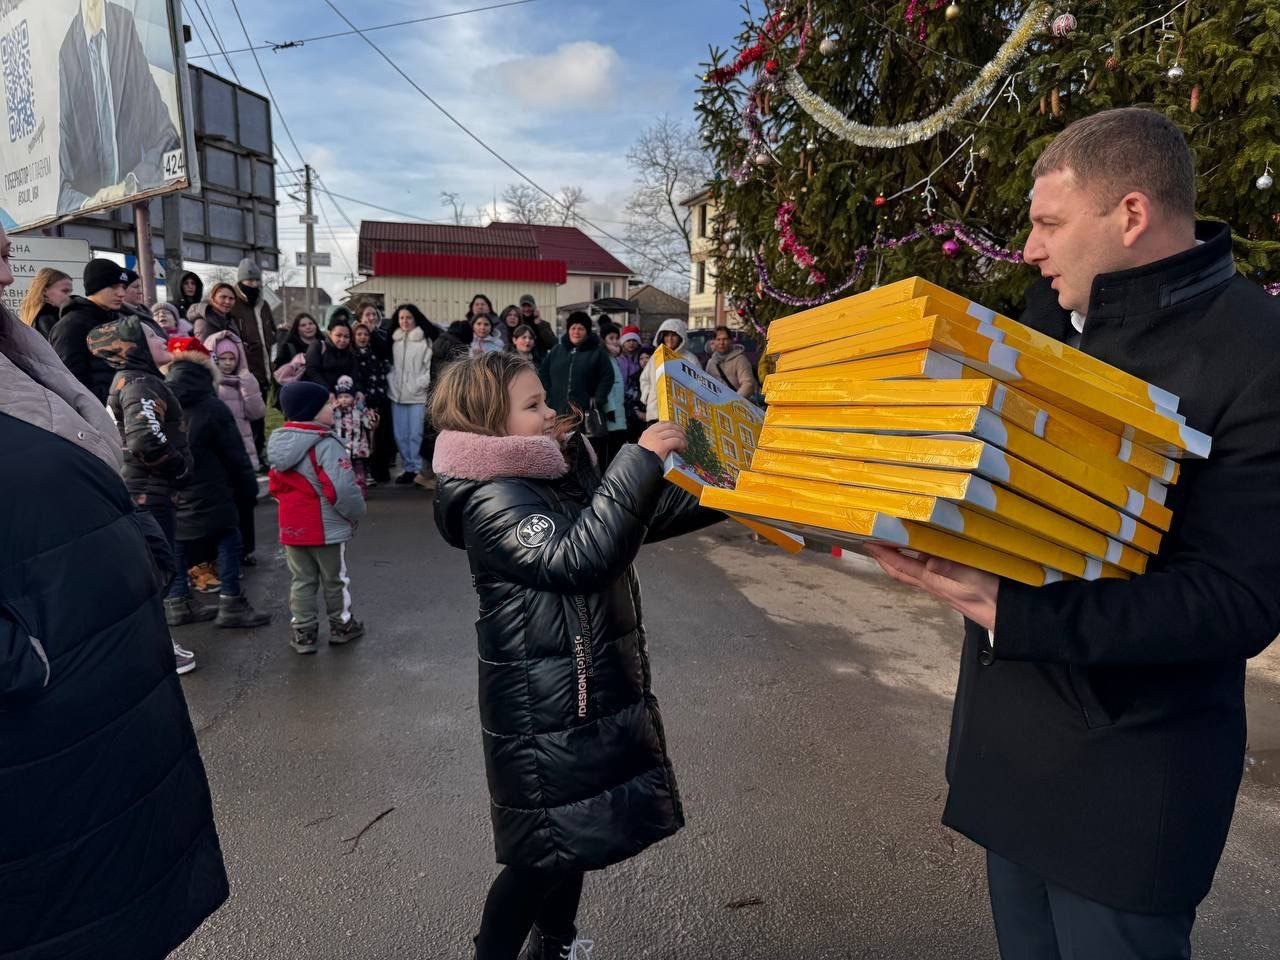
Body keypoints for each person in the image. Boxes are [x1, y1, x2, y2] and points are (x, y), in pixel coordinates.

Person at [864, 108, 1280, 960]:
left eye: (1048, 223)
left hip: (1130, 789)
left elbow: (1237, 601)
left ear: (1130, 215)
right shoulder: (1043, 320)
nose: (1028, 248)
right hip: (1008, 760)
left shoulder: (1257, 351)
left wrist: (1012, 611)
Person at [431, 351, 722, 960]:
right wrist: (638, 461)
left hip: (576, 682)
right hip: (542, 704)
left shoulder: (553, 469)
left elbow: (635, 518)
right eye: (531, 406)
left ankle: (555, 947)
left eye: (545, 400)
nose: (549, 415)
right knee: (540, 853)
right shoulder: (492, 497)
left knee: (572, 837)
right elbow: (579, 557)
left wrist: (731, 488)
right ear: (488, 420)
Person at [0, 245, 229, 960]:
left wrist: (139, 550)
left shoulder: (20, 349)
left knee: (120, 913)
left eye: (5, 255)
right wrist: (34, 659)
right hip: (43, 732)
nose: (7, 275)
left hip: (112, 699)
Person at [88, 314, 198, 674]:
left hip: (144, 491)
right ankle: (156, 648)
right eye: (152, 336)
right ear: (133, 346)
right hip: (148, 493)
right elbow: (145, 439)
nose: (163, 338)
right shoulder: (141, 383)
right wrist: (179, 466)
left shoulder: (134, 380)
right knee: (156, 571)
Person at [163, 337, 271, 629]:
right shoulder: (213, 407)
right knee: (228, 538)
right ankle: (231, 601)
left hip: (174, 489)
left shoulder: (159, 402)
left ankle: (177, 602)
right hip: (213, 488)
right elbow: (235, 455)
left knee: (178, 542)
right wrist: (248, 490)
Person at [268, 381, 367, 654]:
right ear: (311, 411)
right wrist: (356, 512)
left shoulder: (279, 444)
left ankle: (304, 632)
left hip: (292, 528)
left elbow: (275, 487)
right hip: (325, 528)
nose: (332, 407)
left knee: (301, 580)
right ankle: (342, 625)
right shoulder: (325, 444)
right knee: (335, 578)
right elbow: (342, 489)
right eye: (326, 404)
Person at [57, 0, 181, 214]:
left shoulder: (124, 26)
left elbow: (168, 138)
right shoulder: (68, 51)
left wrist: (130, 185)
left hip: (139, 204)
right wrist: (92, 202)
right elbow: (64, 193)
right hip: (97, 218)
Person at [206, 329, 265, 561]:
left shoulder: (244, 382)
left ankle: (246, 550)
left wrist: (248, 384)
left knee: (245, 503)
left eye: (232, 358)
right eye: (223, 359)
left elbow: (257, 412)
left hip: (244, 448)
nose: (228, 363)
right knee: (227, 505)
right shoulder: (212, 385)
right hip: (222, 453)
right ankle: (226, 554)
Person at [49, 257, 129, 403]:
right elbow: (69, 380)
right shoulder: (72, 325)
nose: (121, 293)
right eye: (113, 286)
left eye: (123, 287)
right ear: (95, 287)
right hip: (96, 412)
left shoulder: (119, 320)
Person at [229, 259, 275, 464]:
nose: (253, 285)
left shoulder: (264, 305)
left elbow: (270, 334)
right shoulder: (234, 305)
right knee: (242, 418)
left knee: (260, 415)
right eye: (249, 280)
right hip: (242, 371)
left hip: (263, 370)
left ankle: (259, 453)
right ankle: (246, 457)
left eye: (256, 280)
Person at [538, 310, 614, 421]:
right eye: (573, 328)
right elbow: (543, 372)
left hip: (585, 413)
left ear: (587, 331)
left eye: (581, 329)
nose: (576, 332)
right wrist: (549, 394)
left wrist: (597, 399)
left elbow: (607, 377)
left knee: (581, 439)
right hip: (557, 410)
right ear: (568, 330)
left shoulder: (597, 352)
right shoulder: (557, 350)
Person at [389, 303, 434, 485]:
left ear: (415, 318)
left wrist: (418, 385)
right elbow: (390, 366)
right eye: (401, 318)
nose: (405, 321)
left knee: (416, 434)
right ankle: (408, 468)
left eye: (408, 317)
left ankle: (417, 470)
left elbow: (429, 368)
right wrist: (391, 381)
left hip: (417, 396)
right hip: (397, 395)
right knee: (400, 434)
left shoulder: (424, 342)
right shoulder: (394, 341)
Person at [639, 317, 700, 426]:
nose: (670, 339)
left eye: (674, 335)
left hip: (680, 415)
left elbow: (698, 386)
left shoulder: (690, 360)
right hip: (655, 413)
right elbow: (645, 379)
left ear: (681, 337)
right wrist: (648, 396)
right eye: (666, 335)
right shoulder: (656, 357)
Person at [332, 374, 378, 495]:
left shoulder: (359, 411)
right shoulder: (334, 412)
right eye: (340, 397)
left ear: (353, 397)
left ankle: (360, 492)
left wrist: (367, 412)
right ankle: (342, 493)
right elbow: (327, 424)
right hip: (341, 449)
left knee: (359, 473)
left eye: (347, 396)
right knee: (341, 472)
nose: (343, 399)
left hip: (358, 448)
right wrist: (331, 408)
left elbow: (371, 425)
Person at [304, 307, 359, 393]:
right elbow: (312, 371)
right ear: (330, 333)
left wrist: (358, 391)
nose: (342, 340)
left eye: (346, 336)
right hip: (320, 395)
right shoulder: (317, 346)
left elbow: (355, 376)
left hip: (344, 398)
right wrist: (328, 392)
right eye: (338, 335)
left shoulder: (351, 353)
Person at [598, 323, 629, 465]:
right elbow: (605, 385)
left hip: (619, 412)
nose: (616, 341)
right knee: (612, 453)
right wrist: (609, 408)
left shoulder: (613, 358)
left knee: (618, 450)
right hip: (612, 414)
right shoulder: (604, 358)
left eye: (617, 337)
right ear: (604, 340)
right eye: (611, 338)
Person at [705, 325, 759, 399]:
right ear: (713, 342)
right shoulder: (711, 362)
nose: (721, 343)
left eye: (725, 339)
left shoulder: (740, 359)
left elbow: (748, 384)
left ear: (730, 341)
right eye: (718, 339)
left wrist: (733, 401)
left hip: (736, 404)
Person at [19, 267, 73, 339]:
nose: (69, 296)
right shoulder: (47, 318)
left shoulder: (36, 316)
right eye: (64, 291)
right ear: (44, 291)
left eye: (70, 292)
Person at [616, 325, 646, 441]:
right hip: (621, 402)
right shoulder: (618, 360)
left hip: (637, 402)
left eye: (634, 340)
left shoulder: (641, 359)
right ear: (623, 342)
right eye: (628, 340)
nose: (631, 343)